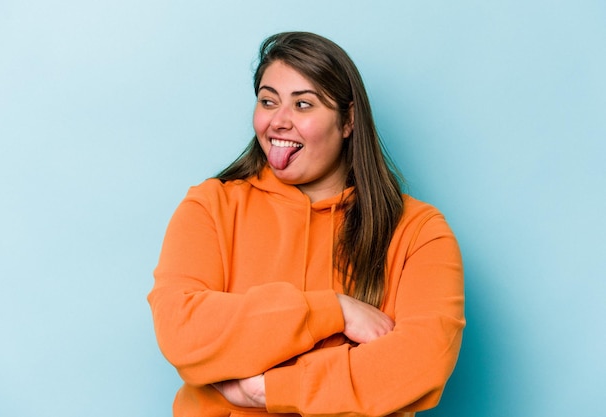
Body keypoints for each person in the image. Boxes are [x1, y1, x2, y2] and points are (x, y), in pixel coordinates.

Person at [148, 31, 465, 417]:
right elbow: (182, 331)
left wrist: (268, 390)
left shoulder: (418, 231)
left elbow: (422, 361)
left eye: (303, 105)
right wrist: (334, 311)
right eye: (268, 101)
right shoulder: (210, 206)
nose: (279, 121)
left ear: (348, 121)